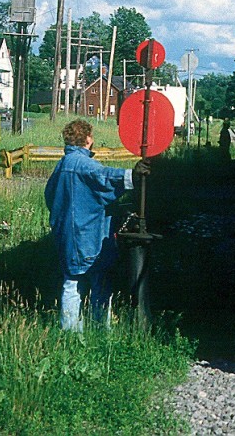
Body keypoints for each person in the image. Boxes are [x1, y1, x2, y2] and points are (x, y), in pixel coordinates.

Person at [45, 119, 149, 331]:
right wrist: (133, 175)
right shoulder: (85, 165)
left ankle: (70, 332)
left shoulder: (61, 165)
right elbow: (106, 177)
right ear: (88, 139)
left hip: (65, 233)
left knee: (71, 282)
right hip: (88, 233)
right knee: (100, 282)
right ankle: (100, 328)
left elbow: (50, 196)